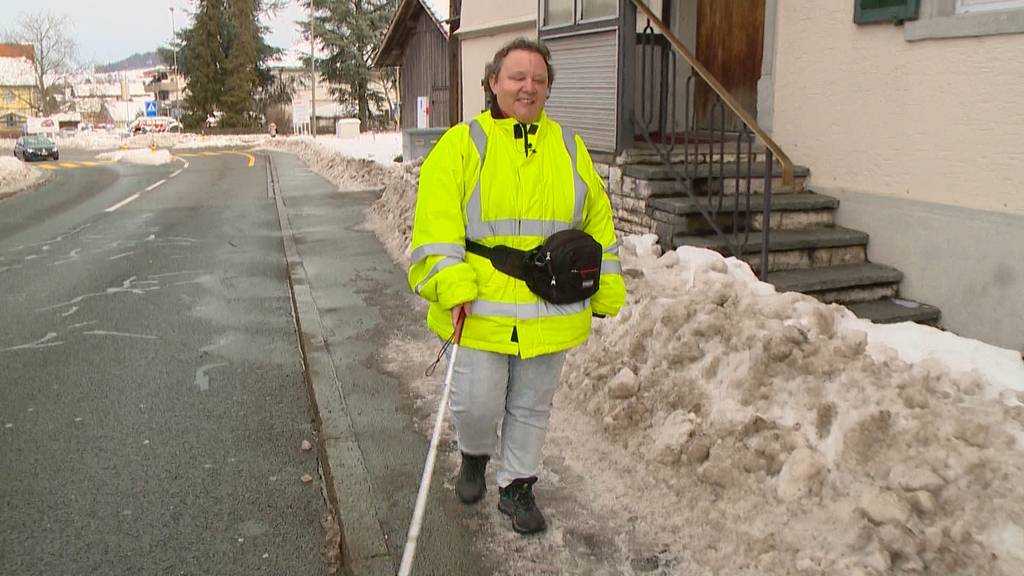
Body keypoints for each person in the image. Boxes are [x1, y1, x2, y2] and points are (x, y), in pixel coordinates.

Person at [407, 38, 625, 534]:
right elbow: (435, 227)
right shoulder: (462, 145)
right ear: (493, 82)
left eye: (539, 79)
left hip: (551, 307)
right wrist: (452, 281)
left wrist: (606, 287)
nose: (528, 87)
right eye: (517, 77)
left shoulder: (569, 147)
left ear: (548, 89)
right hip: (481, 305)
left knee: (531, 404)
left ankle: (517, 486)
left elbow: (598, 224)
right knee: (477, 401)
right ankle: (474, 455)